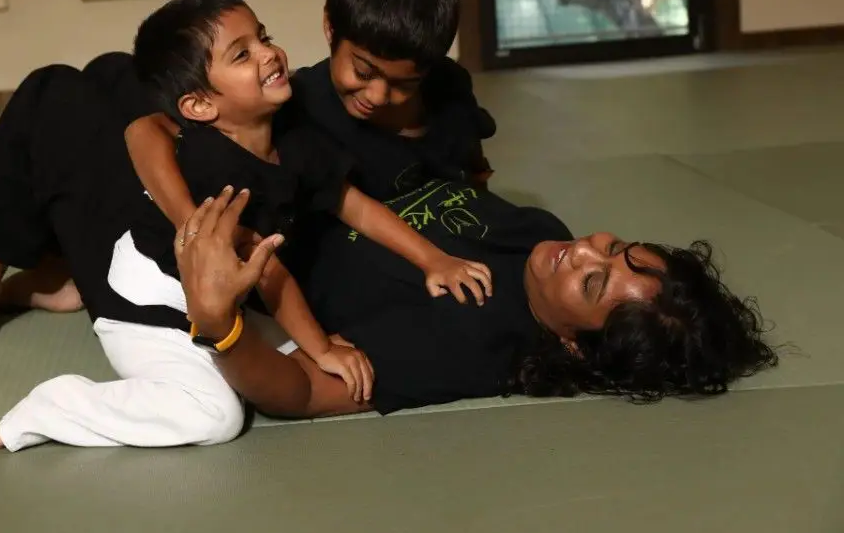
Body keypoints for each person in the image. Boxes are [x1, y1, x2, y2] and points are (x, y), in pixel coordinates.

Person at [0, 0, 492, 449]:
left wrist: (433, 259)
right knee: (217, 417)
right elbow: (270, 272)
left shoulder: (293, 138)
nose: (269, 53)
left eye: (263, 37)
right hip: (147, 309)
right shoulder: (213, 170)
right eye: (243, 54)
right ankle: (54, 405)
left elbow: (352, 203)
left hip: (227, 298)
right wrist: (320, 347)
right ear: (199, 106)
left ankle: (52, 287)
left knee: (300, 363)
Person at [174, 189, 780, 419]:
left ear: (576, 344)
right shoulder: (541, 230)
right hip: (287, 177)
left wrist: (217, 323)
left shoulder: (473, 347)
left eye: (594, 284)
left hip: (221, 225)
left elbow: (302, 391)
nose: (584, 251)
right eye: (614, 247)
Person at [125, 0, 496, 240]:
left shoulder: (449, 84)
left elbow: (474, 165)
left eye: (405, 83)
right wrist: (193, 226)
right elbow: (145, 129)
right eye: (364, 72)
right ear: (330, 28)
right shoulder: (296, 102)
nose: (379, 96)